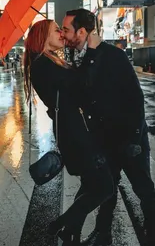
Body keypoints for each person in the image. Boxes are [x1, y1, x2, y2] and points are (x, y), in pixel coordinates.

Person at [62, 8, 155, 246]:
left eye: (66, 30)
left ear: (81, 31)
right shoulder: (80, 57)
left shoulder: (115, 56)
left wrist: (135, 139)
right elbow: (83, 92)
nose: (63, 35)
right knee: (107, 190)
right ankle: (103, 234)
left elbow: (135, 99)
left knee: (143, 188)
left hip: (129, 139)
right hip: (106, 140)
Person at [24, 19, 115, 246]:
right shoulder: (42, 65)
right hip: (76, 136)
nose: (61, 34)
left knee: (93, 185)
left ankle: (70, 233)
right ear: (43, 36)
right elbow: (79, 84)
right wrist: (91, 52)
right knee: (104, 187)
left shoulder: (50, 62)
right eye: (57, 30)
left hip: (77, 132)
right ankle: (60, 224)